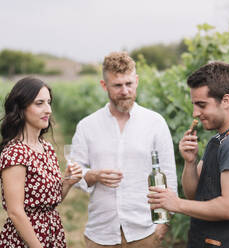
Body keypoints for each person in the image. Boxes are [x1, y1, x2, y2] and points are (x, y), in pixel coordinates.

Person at [147, 61, 229, 248]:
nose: (195, 113)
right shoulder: (218, 140)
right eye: (194, 105)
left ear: (226, 100)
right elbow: (195, 194)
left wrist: (176, 204)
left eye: (201, 105)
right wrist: (190, 162)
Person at [70, 51, 178, 247]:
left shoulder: (155, 123)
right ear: (104, 86)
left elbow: (169, 175)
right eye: (118, 85)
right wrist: (94, 175)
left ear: (136, 81)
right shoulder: (87, 126)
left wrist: (163, 224)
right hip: (100, 234)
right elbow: (74, 174)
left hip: (145, 232)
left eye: (129, 84)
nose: (125, 91)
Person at [0, 77, 82, 248]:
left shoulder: (46, 148)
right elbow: (15, 212)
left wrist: (68, 183)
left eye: (49, 102)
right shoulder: (15, 153)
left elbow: (49, 203)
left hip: (51, 234)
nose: (48, 110)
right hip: (26, 240)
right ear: (21, 108)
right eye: (39, 103)